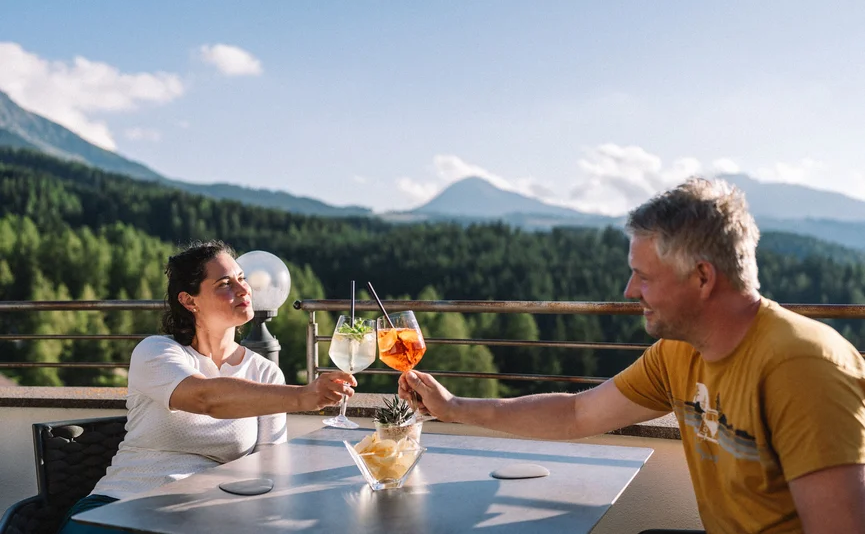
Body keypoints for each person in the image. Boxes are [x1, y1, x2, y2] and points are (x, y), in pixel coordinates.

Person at [399, 178, 865, 534]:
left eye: (643, 276)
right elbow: (576, 413)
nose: (629, 292)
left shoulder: (804, 368)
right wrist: (454, 408)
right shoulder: (678, 354)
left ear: (702, 277)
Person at [57, 240, 355, 533]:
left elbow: (268, 471)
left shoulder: (265, 373)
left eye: (242, 278)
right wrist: (303, 396)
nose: (243, 290)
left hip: (199, 517)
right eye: (225, 283)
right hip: (119, 507)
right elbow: (205, 398)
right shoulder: (156, 352)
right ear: (189, 300)